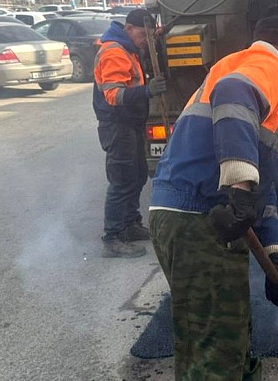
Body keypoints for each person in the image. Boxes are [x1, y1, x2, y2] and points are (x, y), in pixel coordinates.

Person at [148, 4, 278, 381]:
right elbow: (236, 95)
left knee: (230, 330)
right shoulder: (268, 66)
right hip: (199, 217)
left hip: (186, 216)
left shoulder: (240, 64)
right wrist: (238, 184)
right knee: (214, 350)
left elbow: (261, 193)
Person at [93, 9, 167, 258]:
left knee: (137, 175)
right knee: (122, 179)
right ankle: (113, 237)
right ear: (129, 29)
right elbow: (114, 95)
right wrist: (148, 92)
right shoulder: (114, 51)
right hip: (117, 125)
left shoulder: (129, 47)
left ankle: (131, 224)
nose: (145, 41)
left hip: (131, 123)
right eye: (142, 36)